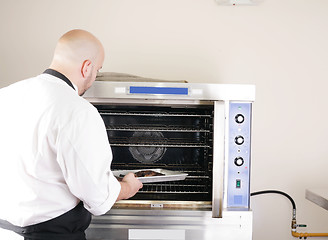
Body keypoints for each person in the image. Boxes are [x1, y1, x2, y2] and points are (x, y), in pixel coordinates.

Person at [0, 29, 143, 240]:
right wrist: (127, 187)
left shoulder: (6, 95)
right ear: (86, 67)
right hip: (51, 236)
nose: (94, 77)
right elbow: (97, 195)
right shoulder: (77, 110)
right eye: (97, 70)